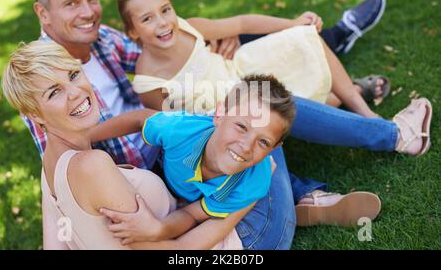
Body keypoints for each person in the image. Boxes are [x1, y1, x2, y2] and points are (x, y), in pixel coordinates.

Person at [24, 0, 431, 249]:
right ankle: (387, 135)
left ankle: (330, 41)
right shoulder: (43, 84)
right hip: (169, 163)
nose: (89, 11)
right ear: (43, 13)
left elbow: (166, 51)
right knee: (260, 114)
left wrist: (212, 50)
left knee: (232, 53)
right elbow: (67, 167)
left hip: (181, 129)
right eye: (71, 4)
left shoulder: (105, 38)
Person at [2, 40, 247, 250]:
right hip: (219, 242)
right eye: (54, 92)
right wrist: (243, 204)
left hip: (193, 220)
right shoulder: (91, 166)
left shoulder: (51, 165)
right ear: (35, 115)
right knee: (257, 139)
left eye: (74, 75)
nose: (76, 92)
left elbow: (56, 244)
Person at [89, 74, 381, 245]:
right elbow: (142, 118)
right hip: (187, 179)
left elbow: (191, 215)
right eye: (241, 126)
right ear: (217, 115)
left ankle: (303, 198)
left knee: (259, 174)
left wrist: (158, 230)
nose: (245, 146)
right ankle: (305, 195)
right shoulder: (181, 129)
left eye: (263, 142)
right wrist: (90, 137)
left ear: (273, 148)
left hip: (260, 231)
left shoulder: (253, 179)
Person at [120, 0, 384, 117]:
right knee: (309, 105)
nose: (163, 23)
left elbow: (242, 22)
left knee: (303, 36)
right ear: (132, 31)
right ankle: (358, 89)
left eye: (165, 10)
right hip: (227, 109)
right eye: (147, 19)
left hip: (241, 69)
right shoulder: (148, 81)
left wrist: (291, 23)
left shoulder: (189, 27)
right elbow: (171, 123)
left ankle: (364, 111)